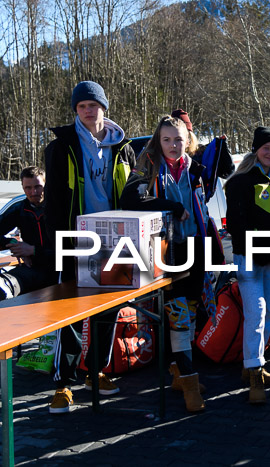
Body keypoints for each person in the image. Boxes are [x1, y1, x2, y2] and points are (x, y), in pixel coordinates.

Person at [43, 80, 136, 414]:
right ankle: (63, 384)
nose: (88, 111)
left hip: (114, 239)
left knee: (109, 310)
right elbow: (53, 200)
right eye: (82, 106)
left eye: (93, 105)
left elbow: (131, 193)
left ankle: (94, 372)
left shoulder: (122, 145)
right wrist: (57, 242)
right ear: (76, 110)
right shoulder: (61, 146)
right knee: (69, 312)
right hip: (74, 238)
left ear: (104, 107)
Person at [121, 114, 224, 412]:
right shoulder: (149, 163)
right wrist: (172, 205)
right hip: (167, 252)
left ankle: (180, 374)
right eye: (166, 139)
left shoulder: (194, 167)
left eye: (178, 139)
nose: (173, 145)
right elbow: (130, 199)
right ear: (158, 140)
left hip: (196, 247)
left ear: (187, 140)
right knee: (178, 315)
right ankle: (190, 382)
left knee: (190, 313)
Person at [225, 127, 270, 404]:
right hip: (249, 257)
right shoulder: (240, 182)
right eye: (266, 148)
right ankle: (254, 374)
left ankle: (253, 361)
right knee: (257, 311)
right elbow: (237, 225)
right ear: (255, 150)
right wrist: (265, 253)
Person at [0, 167, 57, 299]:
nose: (33, 192)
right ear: (22, 187)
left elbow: (70, 249)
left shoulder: (58, 209)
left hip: (60, 271)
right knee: (5, 285)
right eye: (28, 188)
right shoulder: (20, 209)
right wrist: (14, 244)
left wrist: (33, 250)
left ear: (46, 185)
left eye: (38, 186)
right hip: (33, 268)